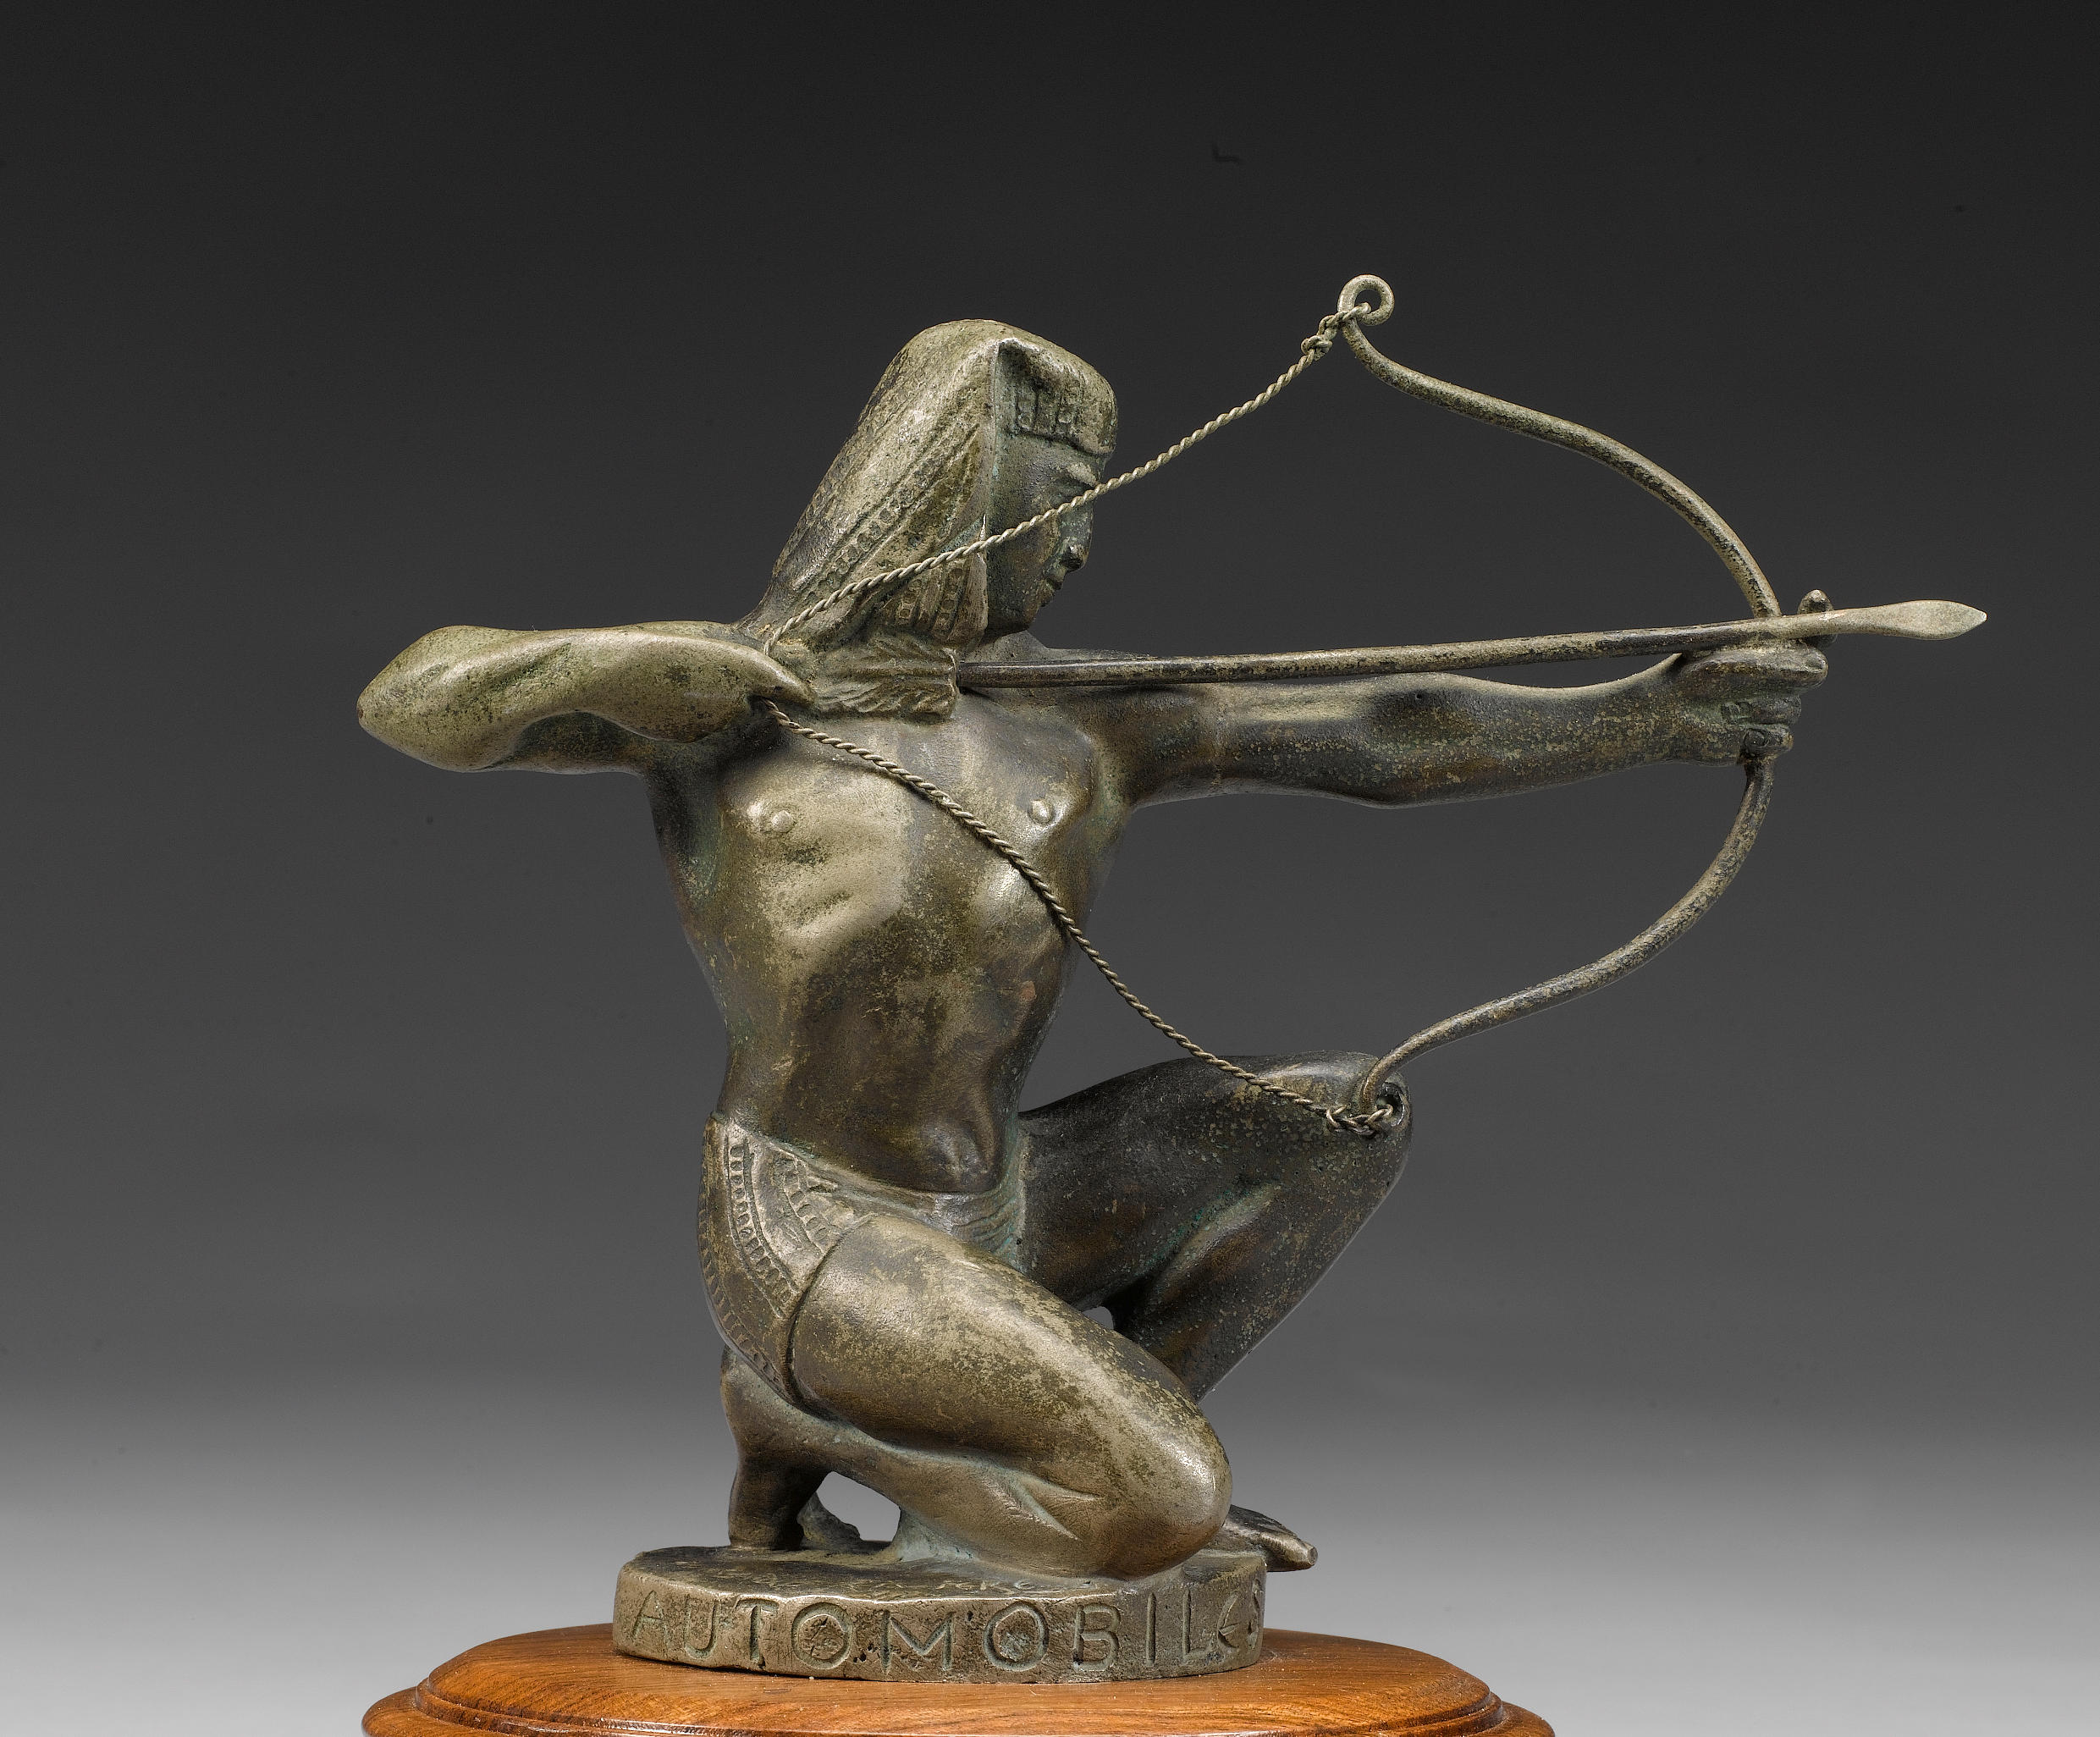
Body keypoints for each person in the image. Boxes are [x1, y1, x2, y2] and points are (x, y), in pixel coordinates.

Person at [359, 320, 1824, 1582]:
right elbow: (420, 698)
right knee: (1157, 1516)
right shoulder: (730, 704)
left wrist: (1647, 716)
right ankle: (834, 1425)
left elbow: (1374, 727)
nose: (1074, 545)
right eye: (1051, 505)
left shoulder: (1078, 717)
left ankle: (1108, 1444)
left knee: (1336, 1119)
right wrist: (604, 667)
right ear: (946, 500)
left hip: (1009, 1201)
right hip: (810, 1225)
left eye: (1088, 511)